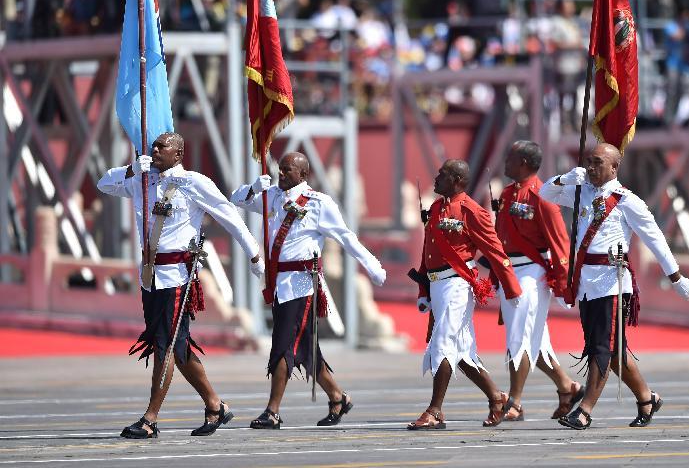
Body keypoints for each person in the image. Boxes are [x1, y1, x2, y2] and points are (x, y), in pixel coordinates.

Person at [97, 132, 263, 438]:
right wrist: (133, 169)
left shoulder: (194, 183)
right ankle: (215, 405)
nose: (156, 150)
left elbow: (230, 217)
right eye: (154, 146)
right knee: (179, 346)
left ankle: (150, 419)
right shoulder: (141, 180)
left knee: (165, 345)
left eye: (163, 146)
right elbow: (103, 183)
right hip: (149, 276)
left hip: (176, 277)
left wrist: (254, 256)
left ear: (179, 153)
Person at [539, 143, 689, 430]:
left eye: (598, 163)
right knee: (614, 351)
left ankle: (584, 410)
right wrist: (565, 179)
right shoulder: (581, 190)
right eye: (588, 162)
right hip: (586, 282)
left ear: (614, 168)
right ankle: (647, 399)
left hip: (612, 282)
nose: (591, 168)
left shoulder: (626, 201)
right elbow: (544, 193)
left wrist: (676, 277)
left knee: (602, 348)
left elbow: (655, 238)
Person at [231, 152, 386, 428]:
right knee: (306, 350)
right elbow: (237, 199)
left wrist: (372, 267)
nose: (281, 174)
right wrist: (256, 187)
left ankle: (272, 411)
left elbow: (346, 237)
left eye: (288, 170)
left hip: (302, 285)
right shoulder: (273, 196)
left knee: (282, 346)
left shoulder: (319, 203)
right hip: (279, 284)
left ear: (303, 174)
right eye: (281, 169)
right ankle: (338, 397)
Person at [407, 160, 522, 430]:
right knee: (461, 351)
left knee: (443, 343)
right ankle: (497, 398)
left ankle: (435, 410)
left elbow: (495, 251)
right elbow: (427, 253)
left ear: (457, 180)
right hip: (437, 286)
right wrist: (424, 289)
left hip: (457, 285)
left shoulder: (472, 211)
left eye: (443, 174)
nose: (436, 177)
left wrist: (511, 289)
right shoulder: (436, 208)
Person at [492, 141, 583, 421]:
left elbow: (560, 243)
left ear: (524, 163)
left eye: (510, 157)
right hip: (510, 271)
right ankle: (567, 387)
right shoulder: (507, 194)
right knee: (535, 341)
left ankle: (515, 402)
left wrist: (563, 283)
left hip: (532, 272)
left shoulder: (543, 197)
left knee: (518, 336)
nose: (504, 162)